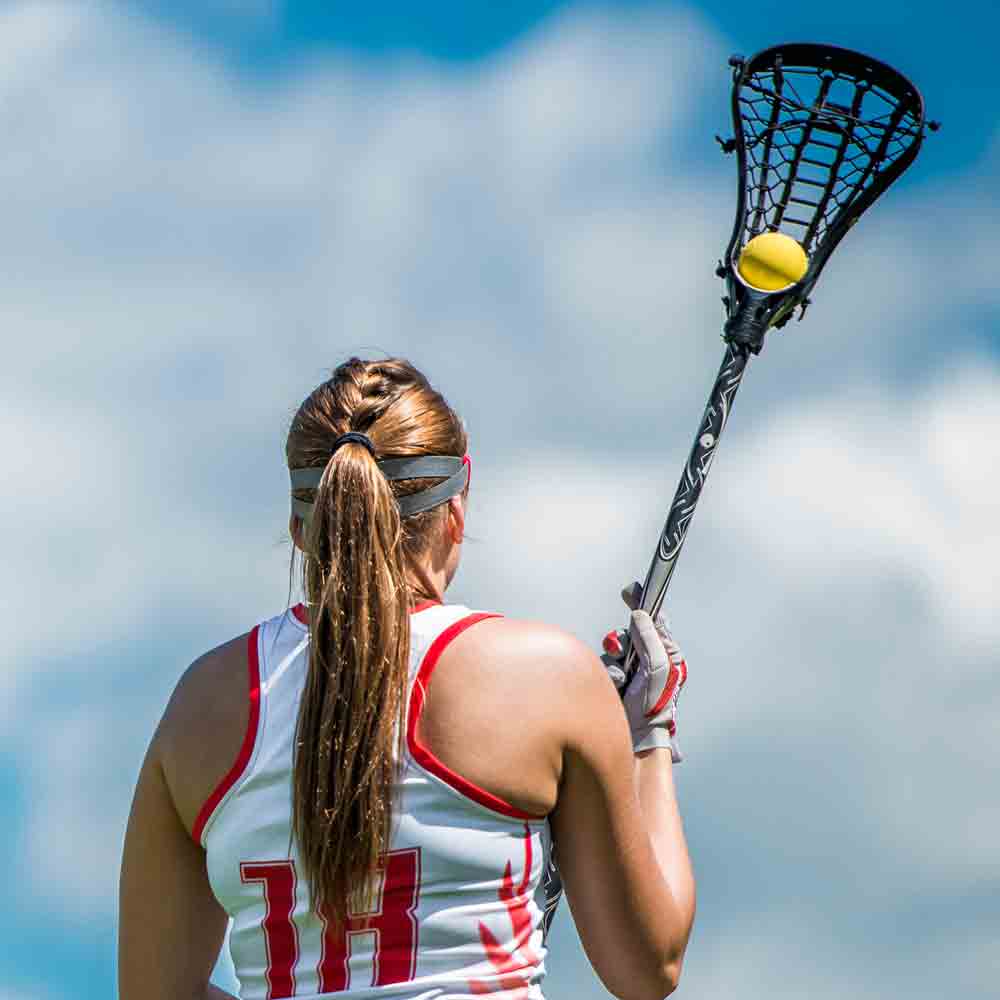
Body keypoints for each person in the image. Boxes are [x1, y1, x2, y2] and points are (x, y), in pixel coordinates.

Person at [119, 357, 696, 1000]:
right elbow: (649, 967)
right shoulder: (547, 676)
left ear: (299, 528)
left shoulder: (204, 700)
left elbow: (153, 990)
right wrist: (649, 734)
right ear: (457, 511)